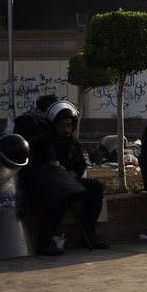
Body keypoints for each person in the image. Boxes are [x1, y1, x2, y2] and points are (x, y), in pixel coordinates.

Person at [19, 101, 108, 255]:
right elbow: (37, 170)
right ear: (54, 125)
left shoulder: (73, 143)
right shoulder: (41, 143)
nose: (66, 130)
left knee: (95, 188)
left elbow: (80, 165)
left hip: (68, 184)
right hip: (45, 188)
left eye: (69, 125)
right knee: (63, 194)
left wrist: (73, 174)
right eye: (62, 126)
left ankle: (89, 235)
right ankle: (44, 241)